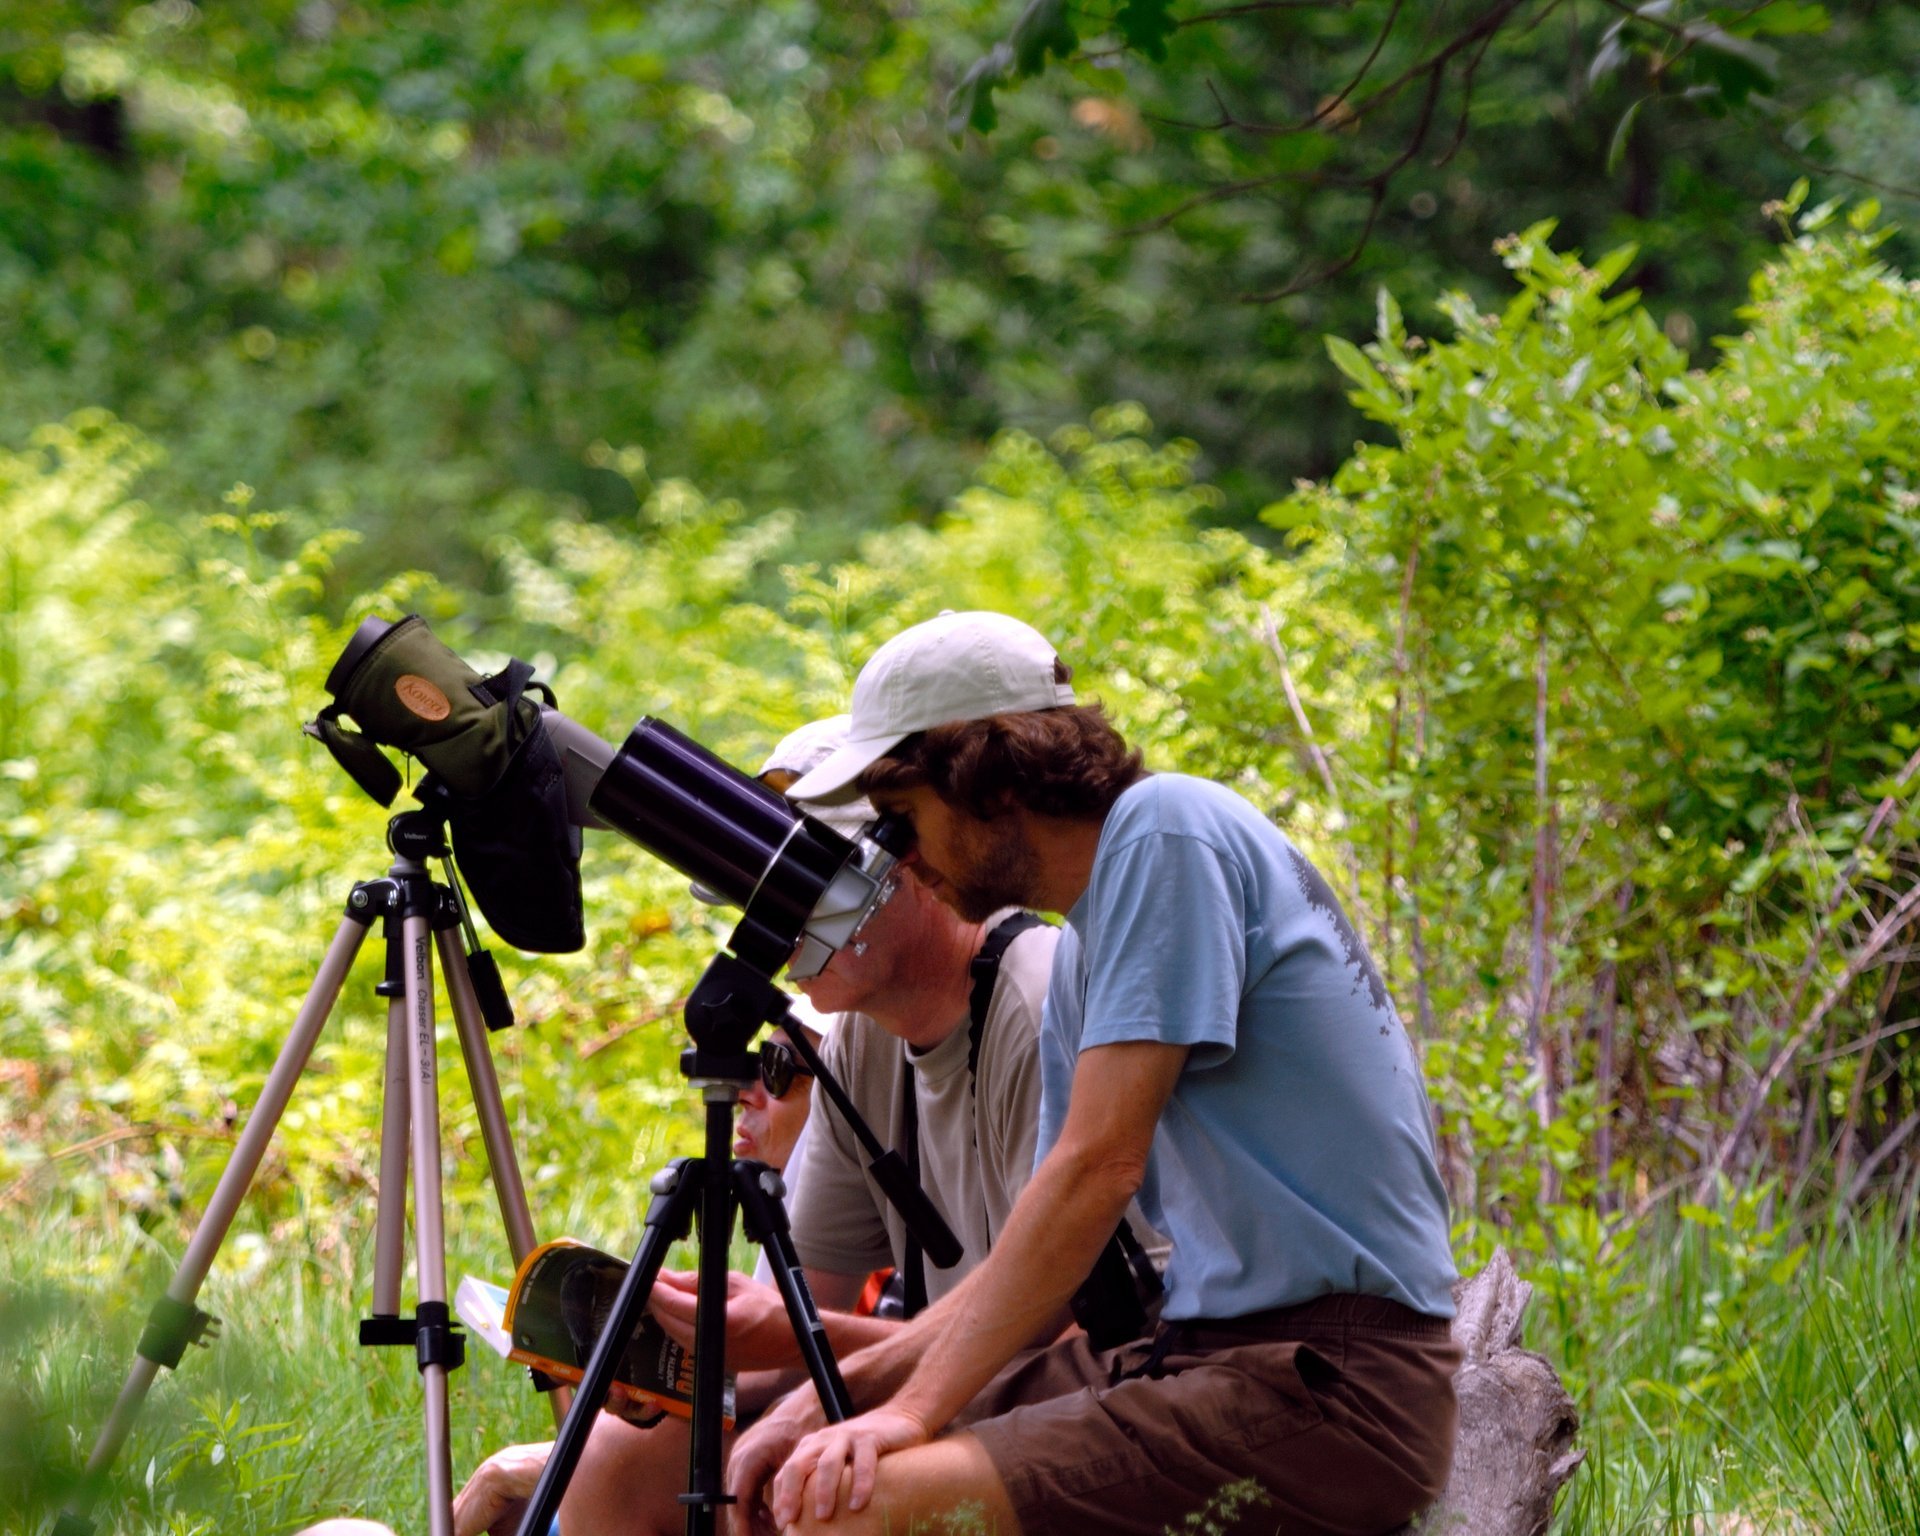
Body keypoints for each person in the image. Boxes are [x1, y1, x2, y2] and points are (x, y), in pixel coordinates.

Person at [724, 611, 1460, 1536]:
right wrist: (825, 1398)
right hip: (1199, 1354)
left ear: (983, 780)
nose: (898, 861)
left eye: (903, 819)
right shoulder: (1083, 949)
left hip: (1332, 1385)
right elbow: (1039, 1277)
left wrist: (907, 1416)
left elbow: (1096, 1167)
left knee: (854, 1508)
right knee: (800, 1472)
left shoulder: (1167, 831)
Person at [443, 715, 1064, 1536]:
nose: (775, 928)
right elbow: (806, 1329)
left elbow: (1067, 1339)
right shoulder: (862, 1042)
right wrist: (690, 1365)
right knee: (617, 1456)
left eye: (801, 887)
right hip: (942, 1384)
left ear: (909, 860)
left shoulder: (1038, 1000)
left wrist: (783, 1343)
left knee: (830, 1493)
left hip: (1055, 1392)